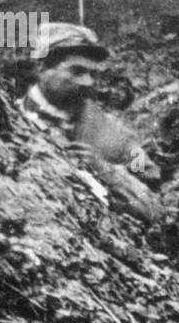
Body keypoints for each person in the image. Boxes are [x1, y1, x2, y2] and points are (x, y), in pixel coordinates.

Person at [19, 21, 161, 223]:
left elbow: (147, 171)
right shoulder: (14, 120)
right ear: (41, 67)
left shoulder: (108, 128)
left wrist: (104, 168)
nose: (88, 82)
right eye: (76, 71)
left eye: (93, 74)